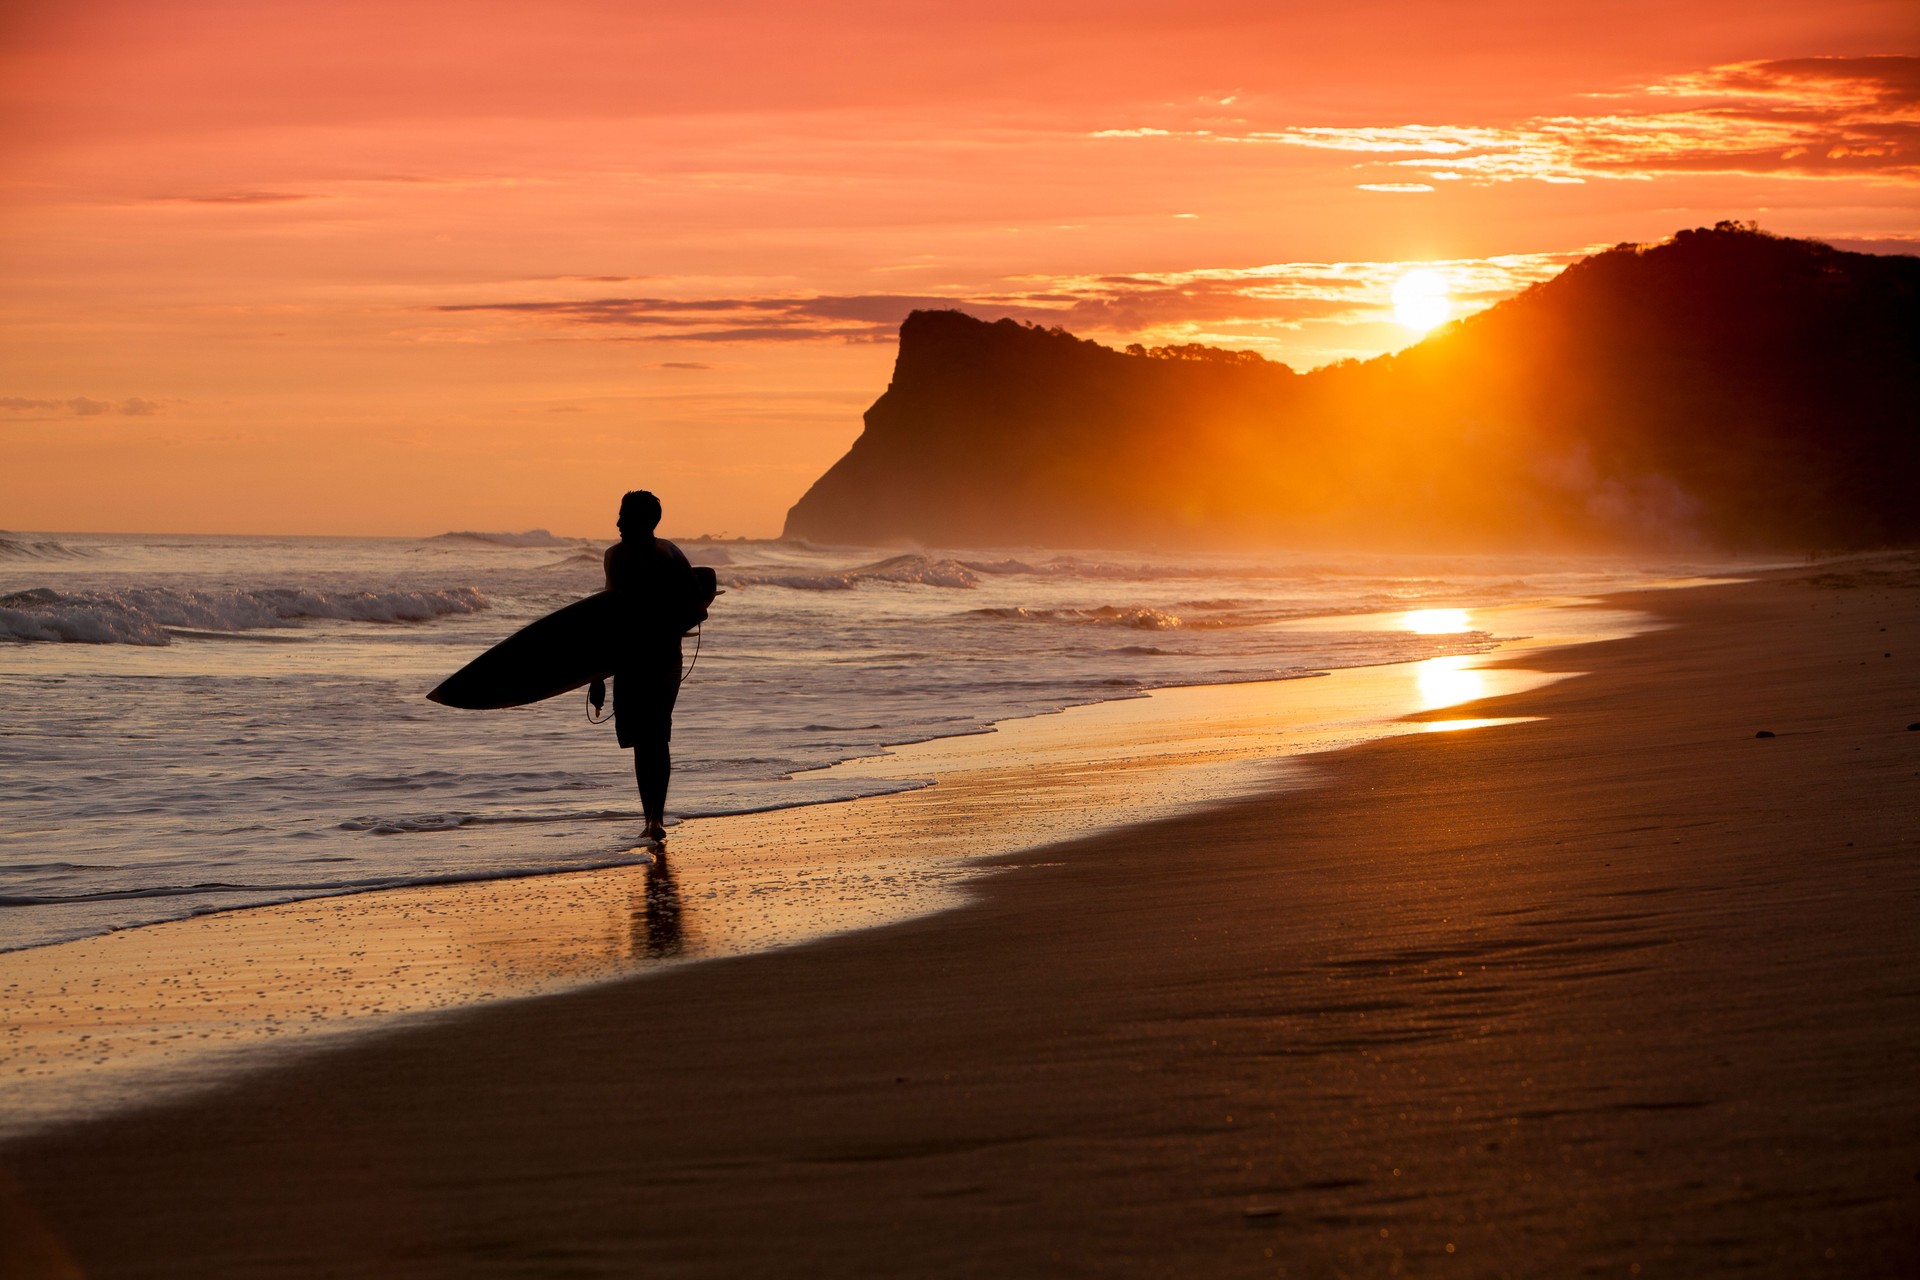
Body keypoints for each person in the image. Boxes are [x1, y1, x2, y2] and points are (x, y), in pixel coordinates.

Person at [593, 490, 699, 844]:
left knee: (656, 735)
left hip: (662, 660)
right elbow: (606, 618)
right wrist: (595, 675)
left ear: (645, 521)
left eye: (625, 516)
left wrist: (663, 626)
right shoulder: (614, 557)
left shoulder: (669, 555)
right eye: (619, 515)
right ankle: (650, 817)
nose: (618, 523)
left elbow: (695, 608)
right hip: (629, 661)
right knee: (641, 740)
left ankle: (656, 818)